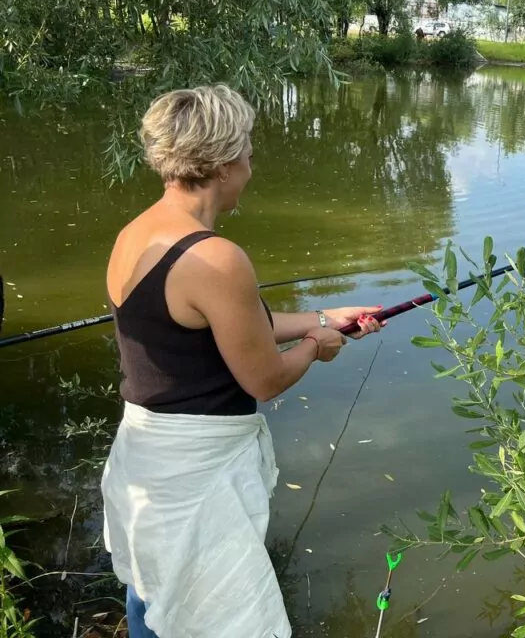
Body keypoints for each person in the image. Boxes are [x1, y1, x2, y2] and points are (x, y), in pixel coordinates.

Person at [100, 84, 385, 638]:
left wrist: (324, 316)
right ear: (224, 163)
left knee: (156, 595)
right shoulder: (217, 258)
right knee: (213, 613)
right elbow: (265, 375)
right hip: (196, 477)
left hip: (146, 458)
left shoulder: (137, 233)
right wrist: (318, 347)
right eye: (249, 153)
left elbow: (226, 326)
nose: (252, 167)